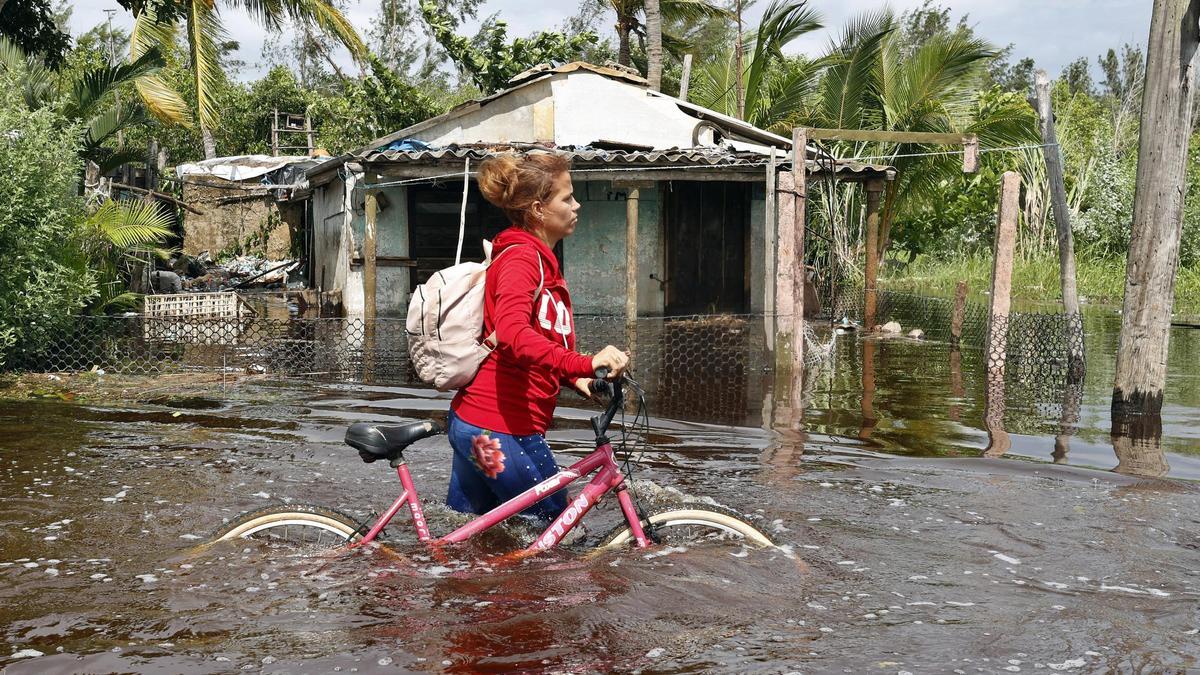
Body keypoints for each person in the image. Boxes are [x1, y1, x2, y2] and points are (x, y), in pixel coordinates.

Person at [446, 153, 629, 521]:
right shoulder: (522, 259)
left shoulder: (540, 259)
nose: (576, 205)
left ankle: (439, 578)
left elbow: (536, 342)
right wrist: (585, 361)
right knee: (554, 528)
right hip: (499, 428)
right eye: (566, 198)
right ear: (537, 210)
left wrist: (575, 378)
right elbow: (514, 334)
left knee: (464, 542)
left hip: (481, 425)